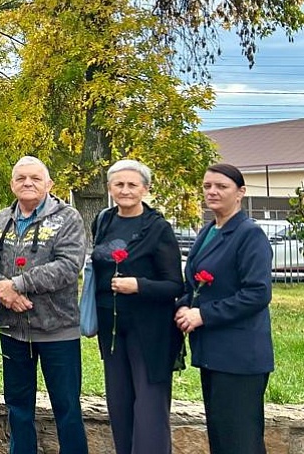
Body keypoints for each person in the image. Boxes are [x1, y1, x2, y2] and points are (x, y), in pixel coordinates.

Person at [0, 156, 87, 454]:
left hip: (58, 329)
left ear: (49, 184)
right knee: (17, 407)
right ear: (12, 184)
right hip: (13, 330)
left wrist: (19, 284)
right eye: (21, 178)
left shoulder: (68, 218)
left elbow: (68, 265)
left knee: (66, 408)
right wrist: (3, 290)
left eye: (35, 178)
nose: (28, 183)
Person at [175, 164, 273, 454]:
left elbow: (257, 293)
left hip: (240, 356)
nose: (212, 192)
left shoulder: (249, 235)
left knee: (241, 441)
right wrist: (182, 306)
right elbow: (193, 284)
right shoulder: (208, 231)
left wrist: (203, 315)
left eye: (221, 186)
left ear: (240, 193)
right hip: (212, 354)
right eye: (207, 186)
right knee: (221, 438)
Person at [91, 159, 183, 454]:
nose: (125, 190)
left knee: (149, 409)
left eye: (132, 184)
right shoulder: (103, 221)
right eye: (119, 184)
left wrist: (139, 285)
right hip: (113, 329)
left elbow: (174, 286)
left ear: (145, 189)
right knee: (119, 406)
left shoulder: (158, 229)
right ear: (109, 188)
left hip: (150, 331)